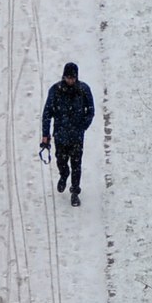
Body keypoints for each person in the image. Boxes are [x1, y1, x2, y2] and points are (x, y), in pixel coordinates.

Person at [40, 62, 95, 207]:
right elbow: (47, 114)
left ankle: (75, 192)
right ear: (64, 76)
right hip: (61, 135)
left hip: (76, 136)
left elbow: (90, 111)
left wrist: (83, 126)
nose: (70, 80)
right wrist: (45, 135)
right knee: (61, 161)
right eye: (68, 77)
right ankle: (64, 175)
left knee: (76, 164)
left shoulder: (84, 90)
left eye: (73, 78)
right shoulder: (55, 90)